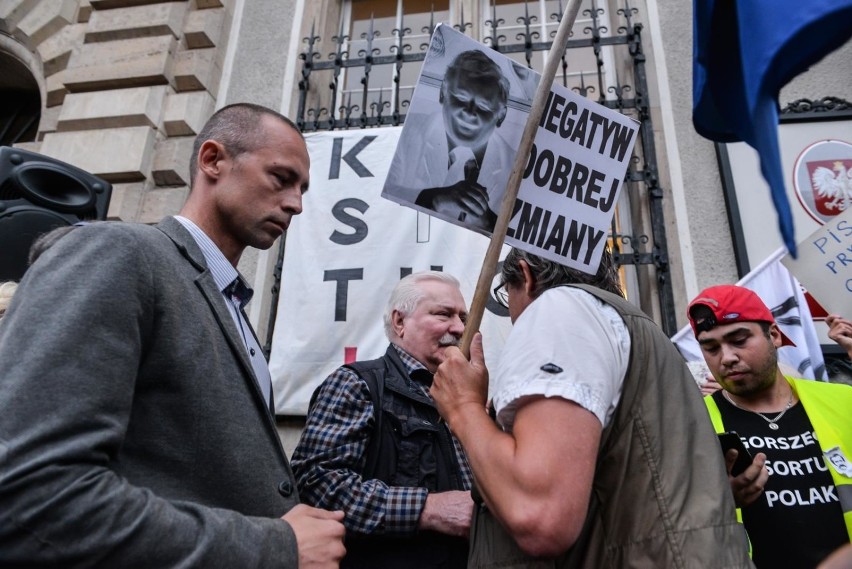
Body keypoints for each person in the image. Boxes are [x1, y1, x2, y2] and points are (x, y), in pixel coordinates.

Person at [0, 103, 346, 568]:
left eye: (302, 189)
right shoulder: (117, 253)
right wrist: (275, 547)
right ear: (212, 160)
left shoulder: (232, 309)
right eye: (280, 178)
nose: (296, 203)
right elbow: (32, 496)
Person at [430, 248, 751, 567]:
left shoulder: (558, 309)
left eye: (505, 296)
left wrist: (463, 409)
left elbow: (540, 517)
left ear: (527, 277)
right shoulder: (635, 328)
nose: (513, 315)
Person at [291, 271, 474, 568]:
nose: (458, 328)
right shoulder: (357, 384)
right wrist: (428, 509)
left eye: (463, 318)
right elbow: (317, 484)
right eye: (444, 314)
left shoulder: (466, 395)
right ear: (400, 322)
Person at [688, 284, 852, 568]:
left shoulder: (843, 401)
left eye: (739, 340)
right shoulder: (692, 424)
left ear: (774, 335)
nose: (726, 357)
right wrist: (719, 501)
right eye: (711, 347)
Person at [383, 48, 514, 233]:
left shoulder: (515, 163)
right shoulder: (407, 136)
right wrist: (434, 199)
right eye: (460, 97)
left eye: (484, 105)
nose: (469, 112)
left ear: (501, 115)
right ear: (443, 93)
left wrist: (488, 224)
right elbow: (379, 203)